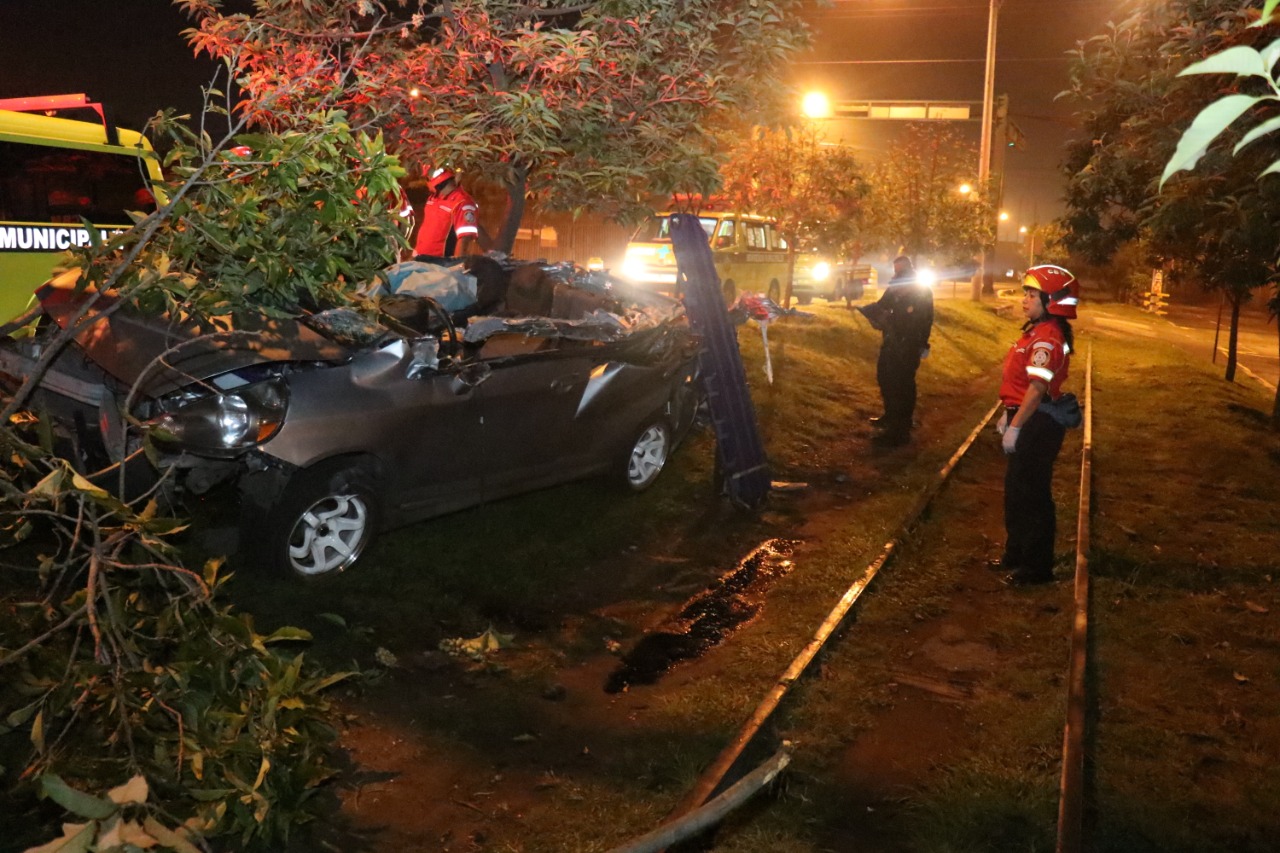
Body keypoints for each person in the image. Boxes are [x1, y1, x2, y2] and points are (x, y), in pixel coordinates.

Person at [994, 263, 1079, 586]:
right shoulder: (1033, 332)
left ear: (1051, 300)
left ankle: (1036, 568)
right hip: (1026, 415)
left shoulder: (1047, 338)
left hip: (1037, 423)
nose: (1024, 300)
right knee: (1016, 491)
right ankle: (1015, 554)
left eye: (1032, 294)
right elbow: (1019, 384)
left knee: (1032, 495)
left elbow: (1037, 388)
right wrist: (1008, 411)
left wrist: (1016, 425)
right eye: (1026, 293)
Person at [858, 253, 934, 446]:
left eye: (899, 269)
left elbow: (923, 320)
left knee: (902, 384)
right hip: (891, 341)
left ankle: (900, 429)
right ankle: (890, 416)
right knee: (884, 377)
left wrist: (920, 344)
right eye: (895, 270)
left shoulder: (921, 290)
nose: (897, 273)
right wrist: (871, 312)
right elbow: (883, 305)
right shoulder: (895, 286)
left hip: (908, 344)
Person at [413, 167, 479, 261]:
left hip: (441, 263)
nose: (427, 184)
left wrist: (456, 267)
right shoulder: (433, 198)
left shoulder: (462, 203)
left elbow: (465, 239)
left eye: (427, 178)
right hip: (421, 259)